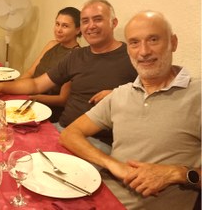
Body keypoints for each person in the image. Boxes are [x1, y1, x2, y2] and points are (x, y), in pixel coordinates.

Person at [59, 11, 201, 210]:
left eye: (153, 40)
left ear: (173, 43)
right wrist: (112, 164)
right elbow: (69, 134)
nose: (143, 51)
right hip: (98, 199)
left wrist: (176, 173)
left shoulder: (197, 94)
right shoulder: (120, 94)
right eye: (134, 43)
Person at [0, 0, 137, 150]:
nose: (91, 26)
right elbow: (36, 84)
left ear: (114, 22)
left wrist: (118, 95)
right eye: (85, 21)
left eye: (98, 19)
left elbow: (152, 96)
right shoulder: (76, 56)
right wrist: (1, 86)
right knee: (5, 140)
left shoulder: (132, 57)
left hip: (95, 141)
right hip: (61, 128)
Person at [19, 7, 81, 123]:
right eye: (57, 24)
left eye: (65, 26)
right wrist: (16, 88)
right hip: (30, 97)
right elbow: (30, 72)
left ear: (78, 30)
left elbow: (62, 99)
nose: (58, 30)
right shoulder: (51, 44)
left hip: (49, 111)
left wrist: (33, 97)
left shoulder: (76, 55)